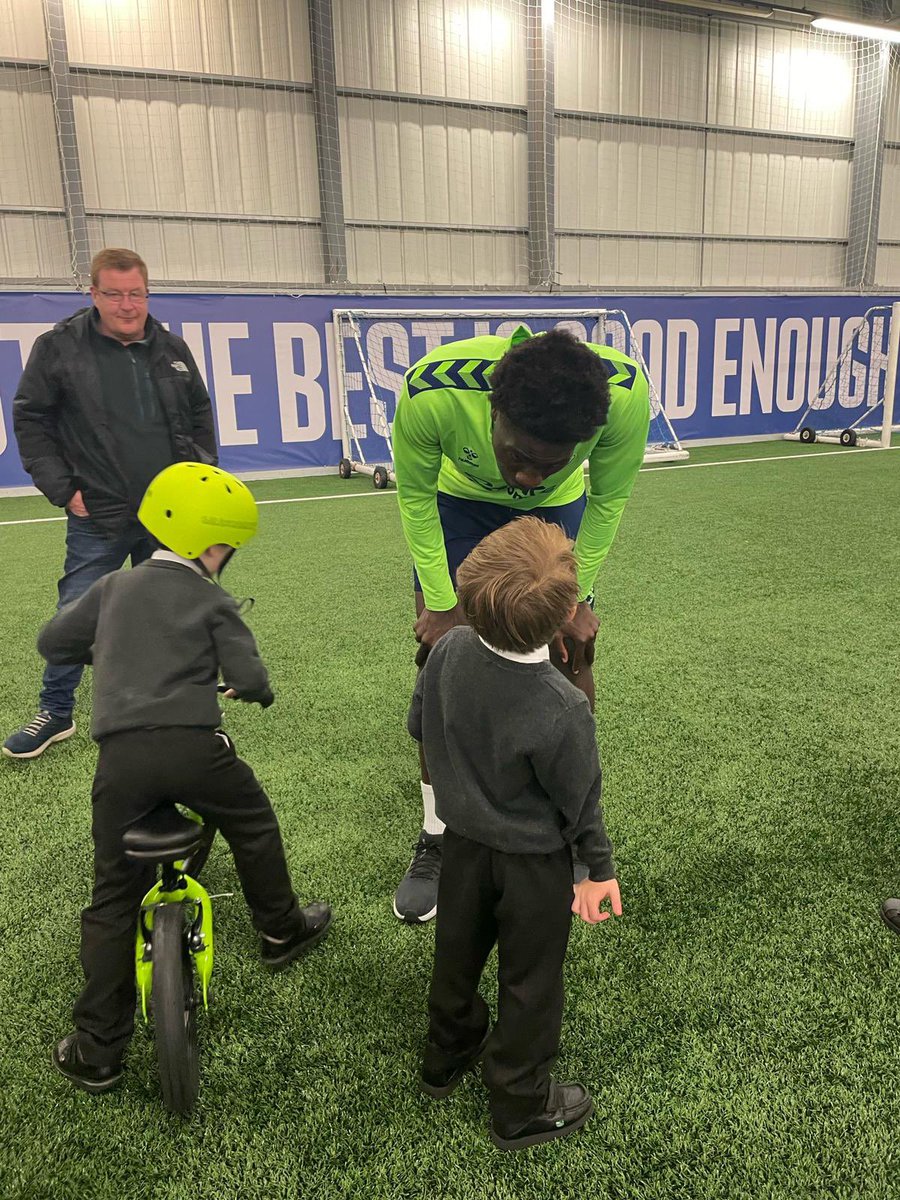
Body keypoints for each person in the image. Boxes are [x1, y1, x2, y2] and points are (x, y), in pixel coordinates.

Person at [40, 462, 332, 1094]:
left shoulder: (113, 590)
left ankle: (97, 1048)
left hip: (121, 760)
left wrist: (109, 649)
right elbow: (252, 679)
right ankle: (281, 928)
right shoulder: (212, 598)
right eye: (229, 547)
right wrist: (248, 690)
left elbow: (54, 642)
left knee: (113, 894)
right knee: (251, 823)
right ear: (211, 546)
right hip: (197, 750)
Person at [391, 324, 649, 923]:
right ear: (493, 410)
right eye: (519, 457)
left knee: (570, 655)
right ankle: (436, 835)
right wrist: (439, 599)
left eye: (551, 461)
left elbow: (608, 501)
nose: (529, 477)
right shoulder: (431, 390)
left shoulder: (626, 396)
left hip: (559, 516)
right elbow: (414, 496)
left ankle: (576, 831)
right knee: (443, 661)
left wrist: (576, 595)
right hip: (460, 506)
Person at [410, 517, 621, 1150]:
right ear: (563, 624)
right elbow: (581, 802)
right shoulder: (562, 707)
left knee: (457, 950)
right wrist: (596, 871)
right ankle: (520, 1105)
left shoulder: (446, 651)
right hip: (533, 864)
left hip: (462, 844)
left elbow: (418, 725)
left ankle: (445, 1055)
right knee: (531, 984)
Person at [3, 247, 218, 759]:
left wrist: (201, 481)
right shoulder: (58, 348)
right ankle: (55, 713)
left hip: (167, 517)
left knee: (171, 614)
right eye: (115, 294)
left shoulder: (172, 349)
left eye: (136, 294)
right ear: (94, 293)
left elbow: (199, 416)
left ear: (147, 292)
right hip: (97, 513)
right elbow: (31, 420)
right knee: (76, 613)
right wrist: (63, 488)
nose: (127, 305)